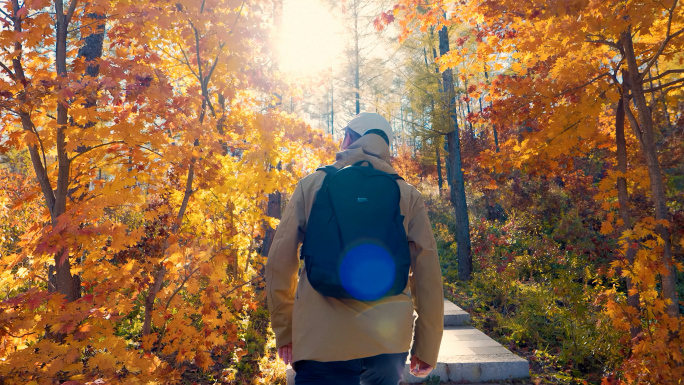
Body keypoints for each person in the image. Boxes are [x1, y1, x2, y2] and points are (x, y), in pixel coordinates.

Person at [265, 112, 444, 385]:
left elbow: (279, 260)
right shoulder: (407, 194)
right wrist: (427, 346)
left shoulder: (311, 185)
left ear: (349, 138)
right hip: (388, 340)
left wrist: (285, 330)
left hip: (321, 339)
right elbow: (427, 273)